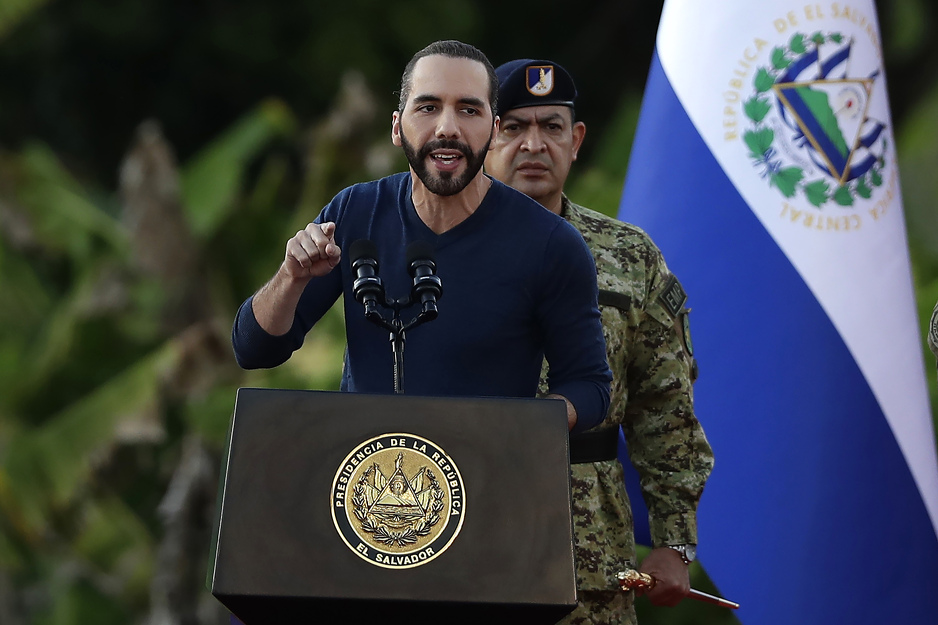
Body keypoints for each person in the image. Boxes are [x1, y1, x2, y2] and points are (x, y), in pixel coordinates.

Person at [232, 42, 611, 435]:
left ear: (494, 130)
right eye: (428, 108)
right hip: (368, 482)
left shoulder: (551, 243)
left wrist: (514, 428)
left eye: (469, 110)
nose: (447, 127)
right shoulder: (356, 211)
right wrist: (290, 278)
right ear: (397, 127)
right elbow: (254, 349)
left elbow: (590, 386)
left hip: (485, 479)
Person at [484, 59, 714, 625]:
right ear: (484, 138)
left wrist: (674, 540)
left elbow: (666, 406)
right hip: (465, 527)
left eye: (551, 127)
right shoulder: (437, 246)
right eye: (513, 128)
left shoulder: (628, 256)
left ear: (576, 139)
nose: (533, 144)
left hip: (586, 547)